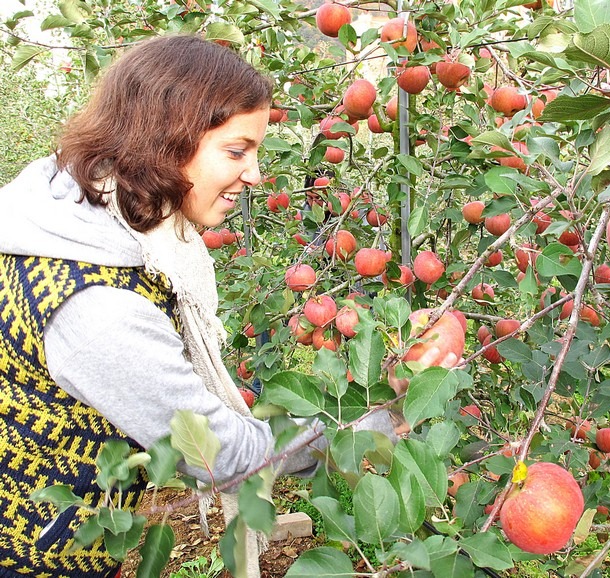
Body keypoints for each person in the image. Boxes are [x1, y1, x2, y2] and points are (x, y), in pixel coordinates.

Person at [0, 34, 397, 578]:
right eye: (236, 152)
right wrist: (365, 424)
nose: (256, 174)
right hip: (35, 557)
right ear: (162, 142)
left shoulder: (80, 211)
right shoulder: (96, 304)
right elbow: (216, 451)